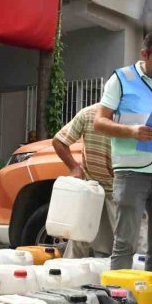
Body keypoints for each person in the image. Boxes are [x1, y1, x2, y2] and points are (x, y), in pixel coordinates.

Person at [94, 31, 152, 272]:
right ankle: (121, 299)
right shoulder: (121, 79)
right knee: (125, 242)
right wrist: (131, 131)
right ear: (144, 55)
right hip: (131, 172)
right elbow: (99, 122)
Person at [51, 103, 117, 258]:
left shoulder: (130, 116)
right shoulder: (88, 114)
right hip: (92, 189)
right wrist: (74, 167)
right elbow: (59, 140)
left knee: (126, 248)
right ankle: (67, 278)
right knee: (79, 242)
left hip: (120, 191)